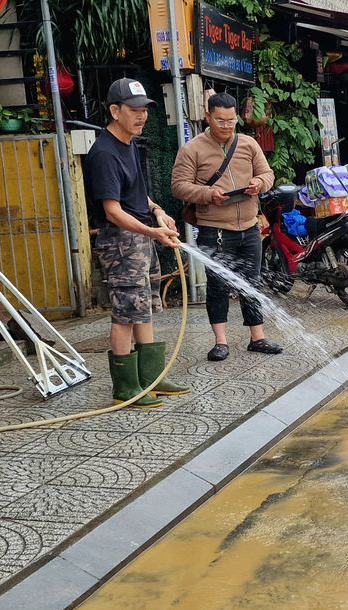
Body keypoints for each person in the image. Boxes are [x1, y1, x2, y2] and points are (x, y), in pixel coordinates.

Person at [85, 78, 190, 408]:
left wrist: (157, 211)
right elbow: (113, 210)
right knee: (125, 314)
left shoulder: (129, 143)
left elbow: (133, 194)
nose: (141, 116)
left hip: (139, 237)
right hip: (120, 242)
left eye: (144, 110)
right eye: (134, 110)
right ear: (115, 111)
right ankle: (126, 388)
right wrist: (153, 233)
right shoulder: (103, 153)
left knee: (143, 308)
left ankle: (152, 379)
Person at [171, 93, 279, 361]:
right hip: (214, 229)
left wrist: (259, 184)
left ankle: (258, 337)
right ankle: (221, 341)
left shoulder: (248, 143)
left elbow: (268, 173)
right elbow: (178, 186)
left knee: (251, 282)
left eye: (231, 120)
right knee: (217, 285)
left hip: (250, 226)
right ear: (207, 116)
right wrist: (208, 194)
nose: (227, 125)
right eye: (220, 120)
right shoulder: (192, 149)